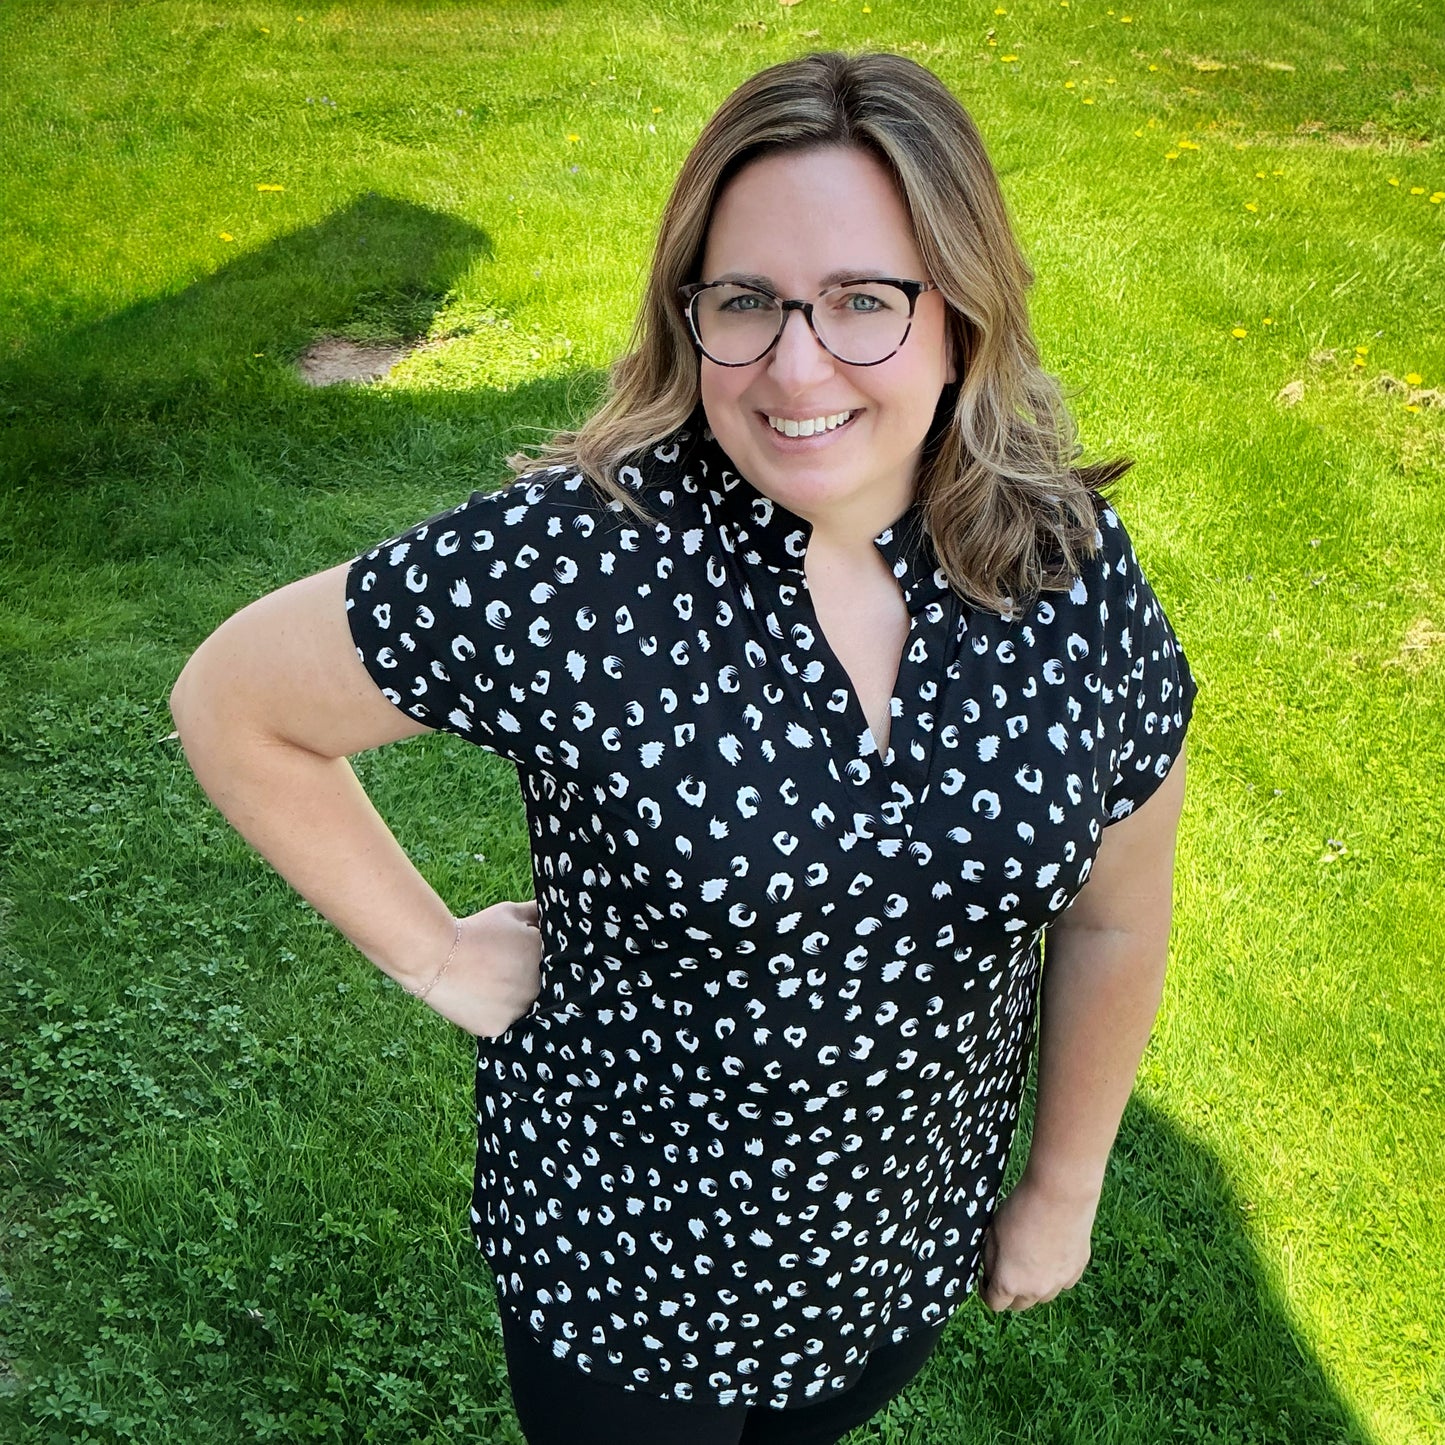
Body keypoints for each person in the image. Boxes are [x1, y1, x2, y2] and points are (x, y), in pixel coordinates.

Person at [170, 50, 1195, 1445]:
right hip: (629, 1280)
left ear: (960, 310)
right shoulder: (579, 566)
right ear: (689, 312)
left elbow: (1118, 913)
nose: (793, 362)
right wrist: (438, 953)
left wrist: (1059, 1187)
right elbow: (235, 700)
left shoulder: (1061, 563)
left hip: (897, 1252)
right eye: (745, 300)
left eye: (862, 301)